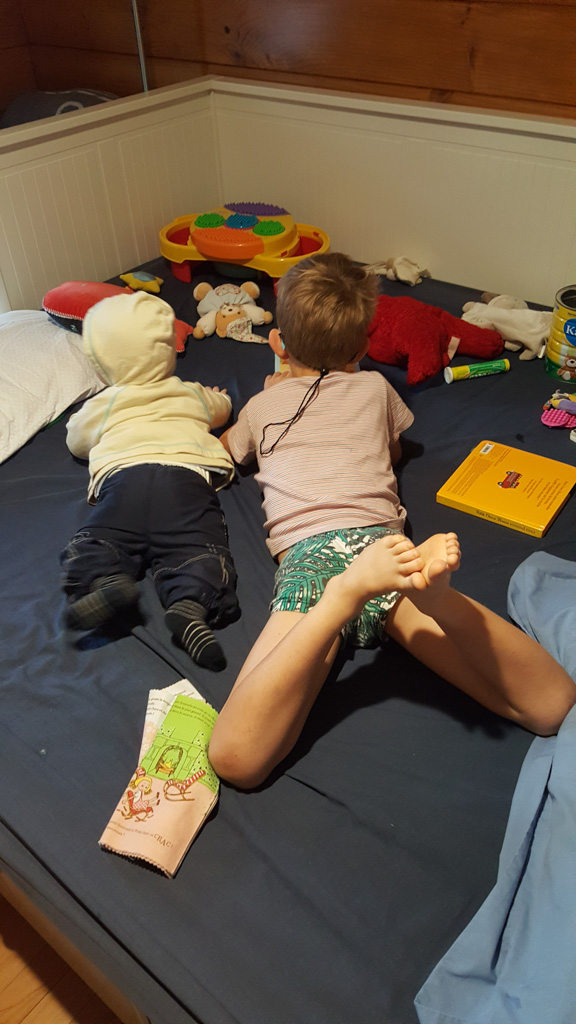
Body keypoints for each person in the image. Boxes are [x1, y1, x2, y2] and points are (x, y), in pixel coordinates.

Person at [207, 252, 576, 787]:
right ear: (362, 349)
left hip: (313, 557)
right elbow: (394, 451)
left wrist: (257, 402)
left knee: (236, 759)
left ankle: (339, 600)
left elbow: (226, 450)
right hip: (386, 555)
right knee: (550, 706)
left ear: (278, 343)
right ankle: (437, 599)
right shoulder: (376, 389)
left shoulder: (261, 408)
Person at [60, 290, 240, 672]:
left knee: (98, 540)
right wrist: (220, 399)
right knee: (199, 549)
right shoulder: (190, 392)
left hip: (124, 480)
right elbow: (221, 409)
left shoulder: (106, 401)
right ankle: (190, 606)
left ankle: (106, 580)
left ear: (102, 363)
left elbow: (77, 441)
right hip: (184, 478)